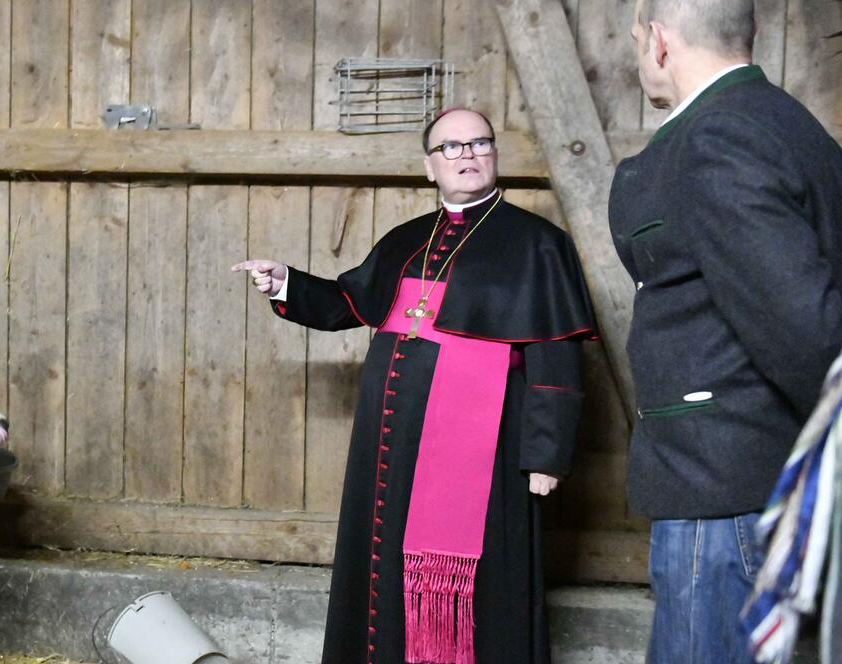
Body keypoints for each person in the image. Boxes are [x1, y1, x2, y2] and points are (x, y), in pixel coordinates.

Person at [234, 108, 596, 664]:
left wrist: (546, 456)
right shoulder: (406, 238)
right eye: (451, 147)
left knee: (484, 579)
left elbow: (556, 358)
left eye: (479, 143)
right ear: (430, 167)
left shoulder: (538, 244)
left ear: (494, 154)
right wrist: (285, 281)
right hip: (392, 447)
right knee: (384, 565)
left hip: (488, 448)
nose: (467, 155)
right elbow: (346, 303)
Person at [610, 1, 842, 661]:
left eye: (635, 40)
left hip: (726, 491)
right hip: (748, 484)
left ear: (657, 41)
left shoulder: (717, 138)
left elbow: (807, 327)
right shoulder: (792, 127)